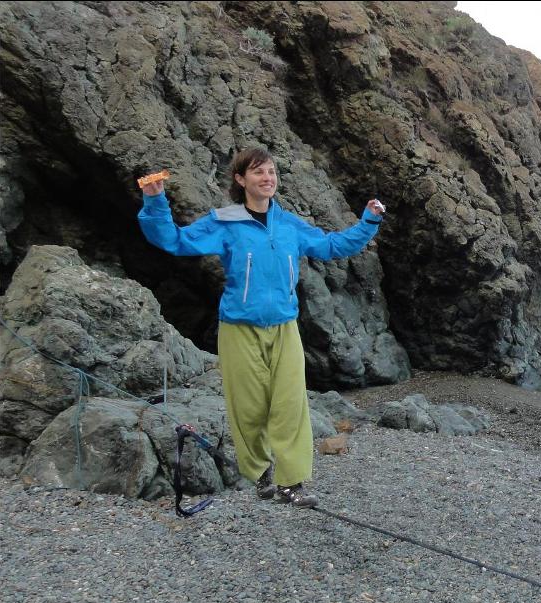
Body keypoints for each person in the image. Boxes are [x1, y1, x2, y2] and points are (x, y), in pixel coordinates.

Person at [137, 147, 386, 508]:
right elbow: (174, 241)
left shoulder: (289, 225)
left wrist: (369, 221)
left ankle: (291, 483)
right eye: (258, 173)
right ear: (241, 180)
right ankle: (260, 472)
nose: (267, 178)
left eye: (270, 171)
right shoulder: (224, 222)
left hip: (284, 326)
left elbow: (332, 246)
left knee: (290, 405)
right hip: (239, 328)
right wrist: (155, 200)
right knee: (249, 408)